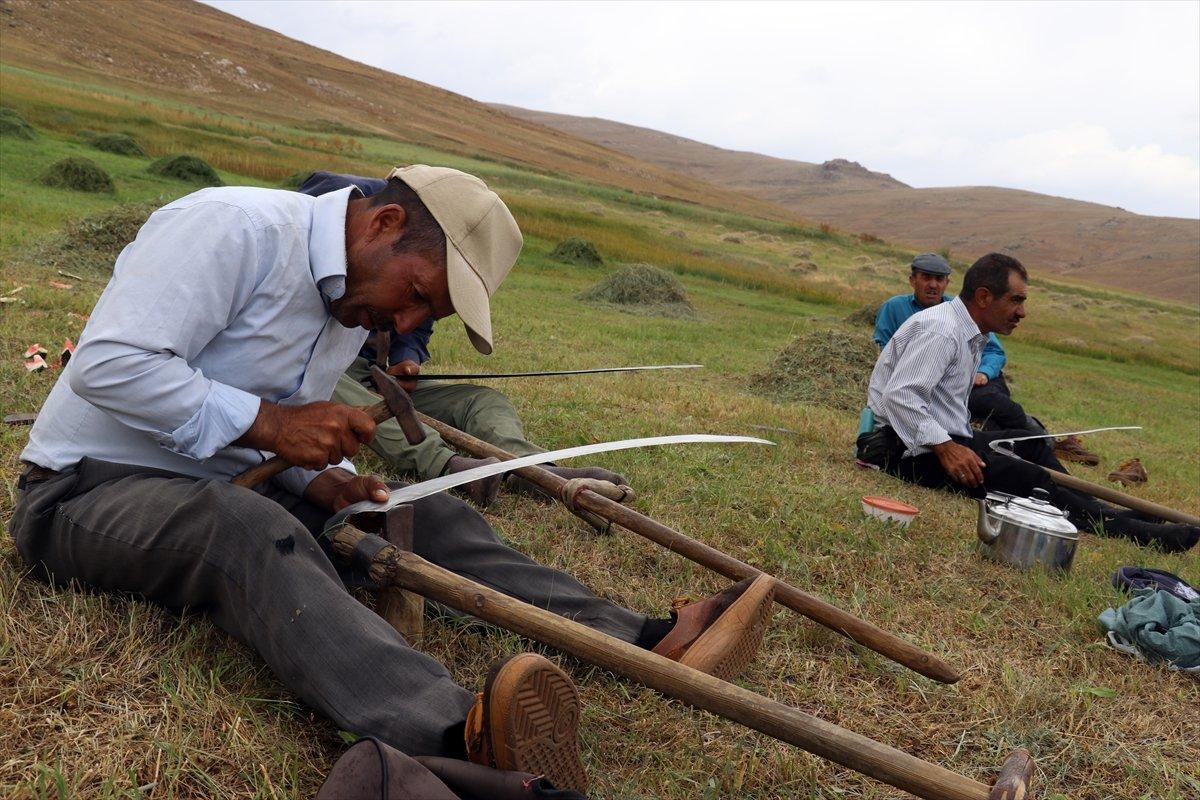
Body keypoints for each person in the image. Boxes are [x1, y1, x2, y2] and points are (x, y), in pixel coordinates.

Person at [10, 166, 773, 793]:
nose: (406, 324)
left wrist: (329, 483)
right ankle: (460, 733)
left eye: (423, 312)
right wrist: (276, 427)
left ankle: (640, 640)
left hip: (220, 480)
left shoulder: (349, 308)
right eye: (417, 294)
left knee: (411, 510)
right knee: (246, 532)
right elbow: (111, 366)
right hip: (86, 490)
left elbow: (260, 437)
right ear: (381, 226)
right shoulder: (231, 228)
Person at [299, 171, 629, 509]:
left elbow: (420, 317)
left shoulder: (418, 267)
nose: (411, 318)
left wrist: (407, 353)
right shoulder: (335, 209)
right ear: (384, 223)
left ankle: (529, 468)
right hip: (322, 364)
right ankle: (447, 466)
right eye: (418, 293)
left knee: (482, 401)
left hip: (376, 373)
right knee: (326, 380)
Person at [857, 253, 1196, 553]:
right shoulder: (942, 330)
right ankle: (1132, 531)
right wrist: (947, 448)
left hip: (943, 439)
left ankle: (1096, 509)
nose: (1022, 312)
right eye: (1016, 300)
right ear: (985, 297)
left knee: (1031, 444)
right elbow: (900, 396)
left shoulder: (967, 330)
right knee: (1029, 477)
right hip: (905, 451)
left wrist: (955, 442)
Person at [874, 252, 1099, 464]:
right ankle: (1040, 449)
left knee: (999, 410)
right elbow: (886, 352)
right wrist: (945, 446)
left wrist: (983, 372)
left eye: (939, 279)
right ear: (912, 280)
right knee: (994, 411)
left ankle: (1047, 443)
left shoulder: (965, 311)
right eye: (926, 278)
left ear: (947, 283)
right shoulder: (900, 310)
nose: (933, 285)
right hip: (930, 397)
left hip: (973, 382)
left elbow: (993, 351)